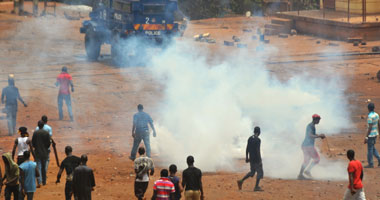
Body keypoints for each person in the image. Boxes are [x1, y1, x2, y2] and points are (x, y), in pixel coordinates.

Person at [298, 114, 326, 180]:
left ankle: (300, 175)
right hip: (308, 146)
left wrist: (318, 135)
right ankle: (307, 171)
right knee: (317, 159)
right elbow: (310, 135)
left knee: (306, 161)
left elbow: (312, 134)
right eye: (318, 120)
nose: (319, 121)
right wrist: (319, 136)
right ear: (315, 119)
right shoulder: (311, 126)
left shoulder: (311, 126)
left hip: (305, 145)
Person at [237, 126, 264, 191]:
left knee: (252, 172)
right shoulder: (258, 140)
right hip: (256, 159)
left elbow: (247, 149)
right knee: (260, 172)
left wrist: (247, 157)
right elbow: (258, 150)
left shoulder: (249, 138)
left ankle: (241, 181)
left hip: (251, 159)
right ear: (258, 132)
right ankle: (256, 187)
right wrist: (260, 160)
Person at [32, 120, 51, 187]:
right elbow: (48, 144)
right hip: (45, 152)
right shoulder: (46, 133)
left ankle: (39, 182)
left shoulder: (35, 133)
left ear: (38, 125)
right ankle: (44, 181)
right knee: (44, 167)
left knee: (39, 167)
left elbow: (33, 143)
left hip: (37, 152)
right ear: (43, 126)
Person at [35, 115, 54, 180]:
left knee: (39, 163)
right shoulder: (49, 128)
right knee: (46, 161)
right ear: (46, 121)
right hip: (46, 148)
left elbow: (34, 139)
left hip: (38, 149)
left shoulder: (37, 128)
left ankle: (40, 178)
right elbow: (50, 138)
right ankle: (44, 174)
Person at [364, 103, 380, 168]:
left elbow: (370, 127)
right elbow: (379, 125)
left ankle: (370, 164)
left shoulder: (370, 116)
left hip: (371, 135)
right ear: (374, 108)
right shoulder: (376, 115)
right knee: (372, 148)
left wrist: (366, 137)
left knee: (370, 149)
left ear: (368, 108)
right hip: (375, 134)